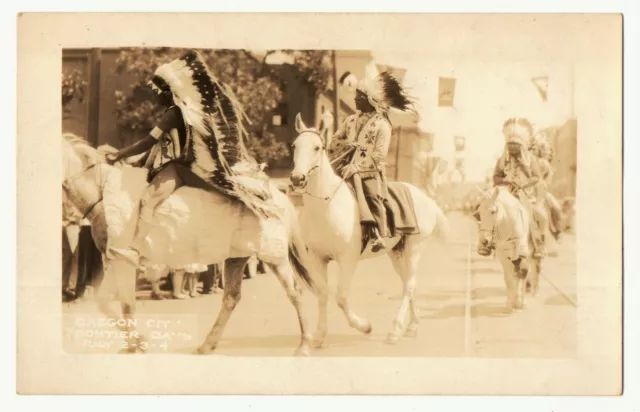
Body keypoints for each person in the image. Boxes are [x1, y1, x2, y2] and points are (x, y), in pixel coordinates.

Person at [106, 50, 275, 263]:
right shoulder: (185, 112)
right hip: (190, 167)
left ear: (166, 91)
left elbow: (149, 141)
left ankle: (136, 249)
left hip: (186, 169)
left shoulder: (173, 114)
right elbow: (157, 147)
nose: (154, 95)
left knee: (149, 199)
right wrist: (139, 161)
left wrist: (119, 154)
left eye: (156, 91)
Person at [327, 64, 415, 252]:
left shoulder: (383, 125)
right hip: (342, 166)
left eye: (358, 96)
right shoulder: (350, 120)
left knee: (372, 195)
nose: (355, 99)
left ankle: (378, 233)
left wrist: (357, 168)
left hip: (369, 172)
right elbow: (335, 141)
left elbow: (379, 155)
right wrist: (345, 147)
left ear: (369, 100)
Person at [493, 117, 547, 260]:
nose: (513, 147)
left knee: (536, 215)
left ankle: (537, 245)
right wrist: (506, 180)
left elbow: (536, 177)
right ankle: (488, 242)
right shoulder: (502, 160)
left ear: (522, 145)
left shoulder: (531, 160)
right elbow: (495, 178)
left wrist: (524, 184)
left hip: (525, 194)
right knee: (489, 210)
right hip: (506, 193)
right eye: (510, 144)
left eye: (516, 144)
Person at [530, 134, 564, 240]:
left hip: (540, 189)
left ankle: (557, 231)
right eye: (531, 149)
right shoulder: (527, 161)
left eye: (535, 149)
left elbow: (545, 179)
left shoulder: (543, 163)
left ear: (540, 150)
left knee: (556, 208)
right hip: (526, 188)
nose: (533, 151)